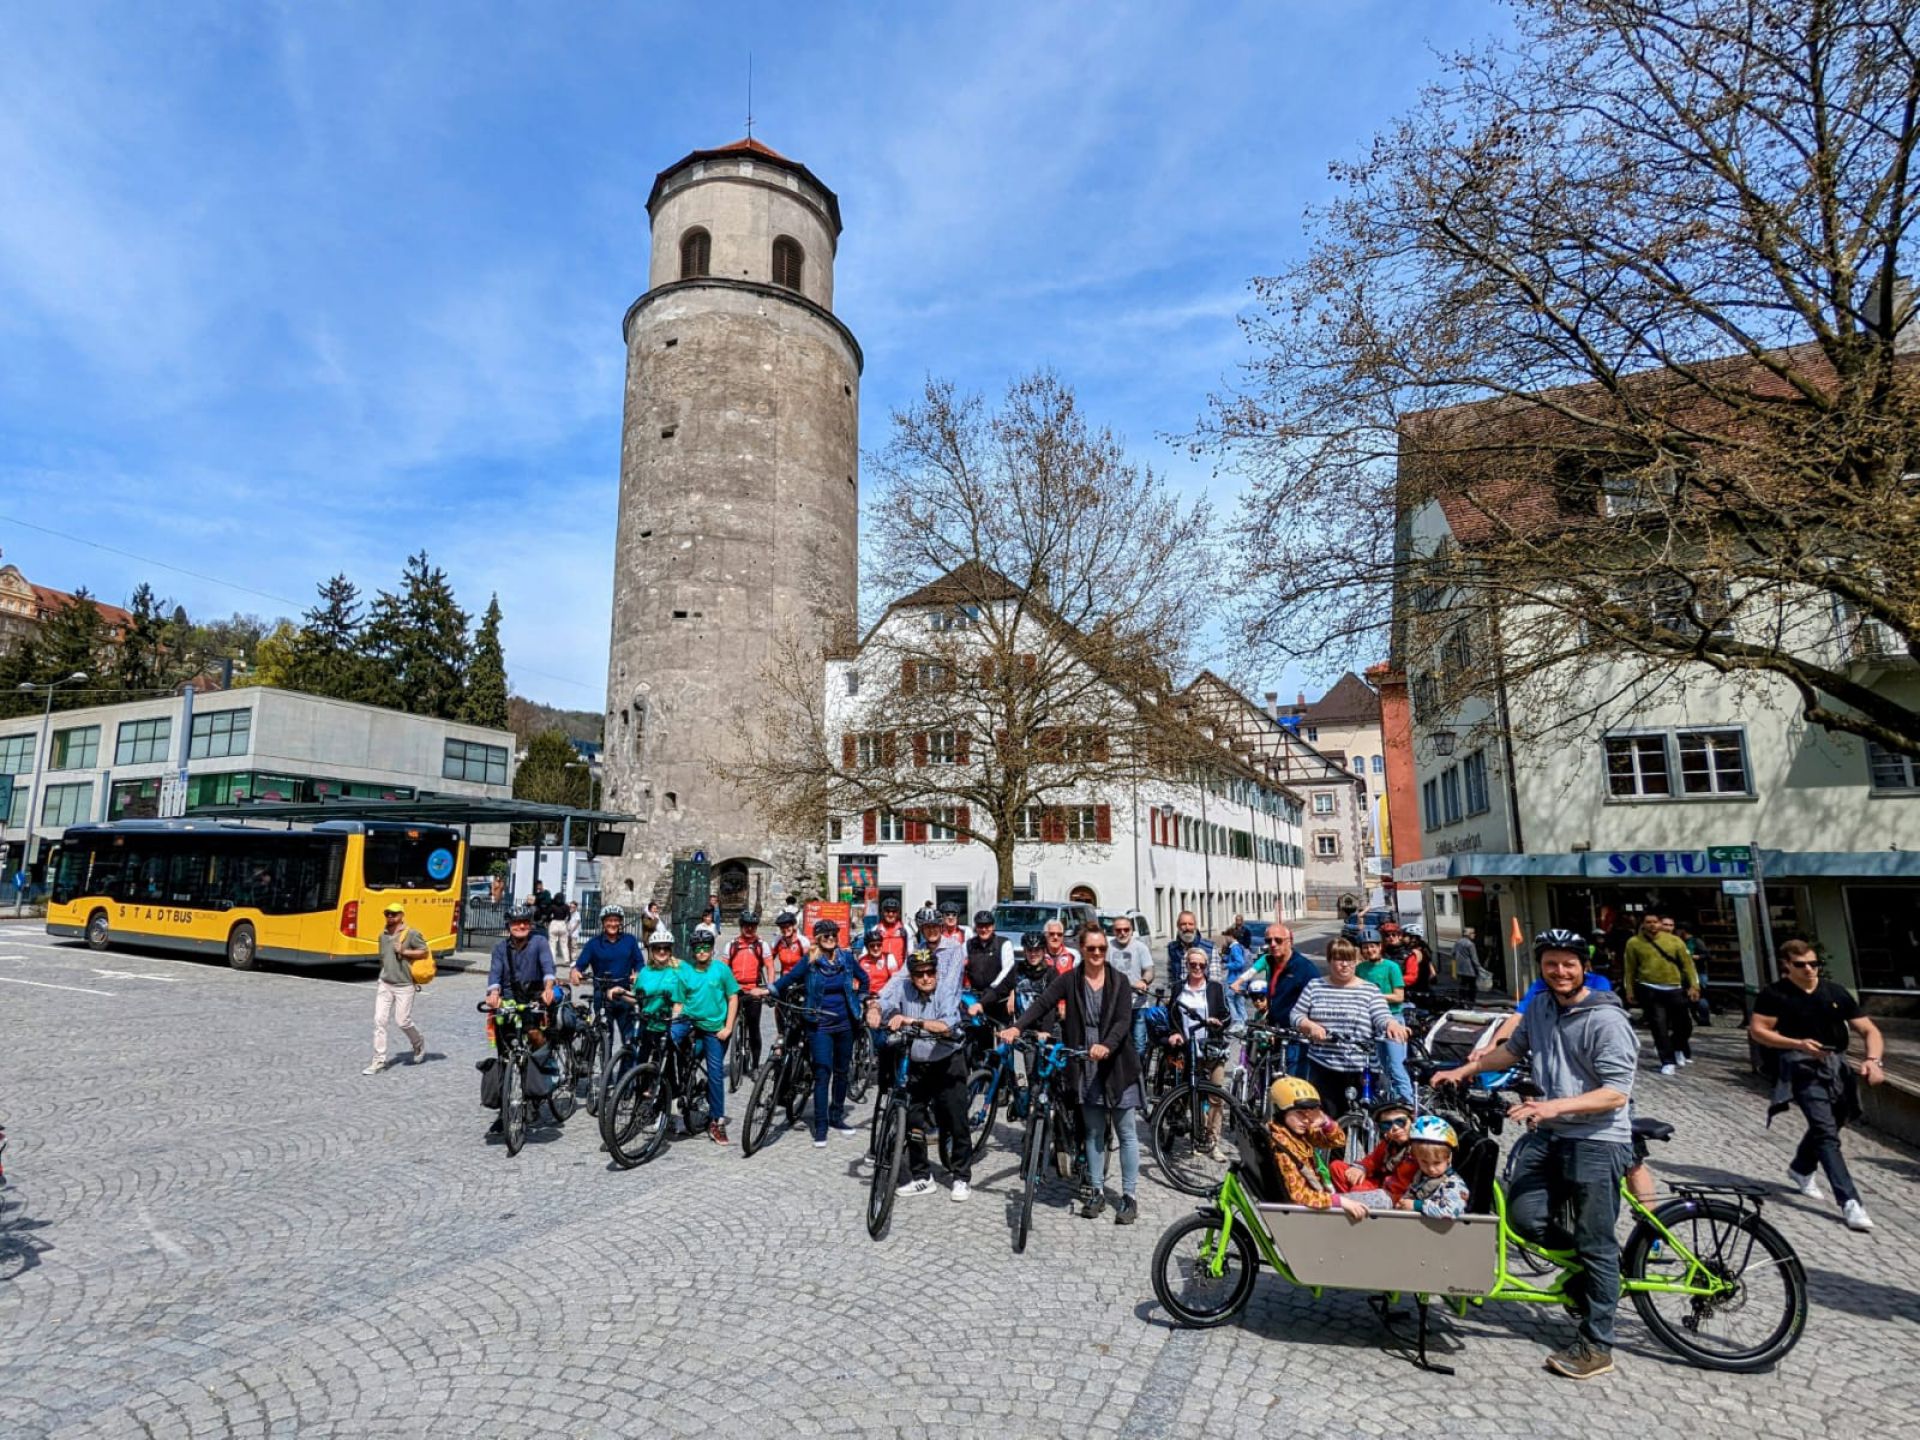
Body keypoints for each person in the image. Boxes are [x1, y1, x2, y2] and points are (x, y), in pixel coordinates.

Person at [1435, 929, 1637, 1381]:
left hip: (1597, 1139)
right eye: (1551, 963)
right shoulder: (1542, 1006)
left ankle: (1597, 1343)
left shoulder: (1606, 1021)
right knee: (1524, 1219)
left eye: (1568, 963)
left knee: (1595, 1241)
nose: (1560, 971)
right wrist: (1462, 1070)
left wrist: (1553, 1106)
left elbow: (1615, 1094)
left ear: (1584, 967)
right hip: (1550, 1134)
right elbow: (1511, 1050)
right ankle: (1596, 1274)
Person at [997, 921, 1143, 1224]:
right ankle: (1096, 1192)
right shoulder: (1071, 979)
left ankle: (1129, 1197)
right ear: (1082, 949)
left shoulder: (1119, 981)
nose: (1098, 953)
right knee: (1091, 1131)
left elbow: (1122, 1021)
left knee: (1126, 1132)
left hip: (1116, 1063)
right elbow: (1042, 1003)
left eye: (1102, 948)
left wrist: (1106, 1045)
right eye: (1091, 948)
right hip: (1084, 1061)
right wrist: (1016, 1026)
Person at [1751, 938, 1886, 1233]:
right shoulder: (1776, 994)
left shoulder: (1834, 992)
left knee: (1837, 1119)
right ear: (1787, 965)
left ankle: (1800, 1168)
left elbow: (1868, 1029)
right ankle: (1850, 1201)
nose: (1810, 969)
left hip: (1836, 1064)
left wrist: (1874, 1060)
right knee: (1825, 1132)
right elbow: (1759, 1030)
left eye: (1814, 964)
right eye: (1801, 965)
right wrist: (1796, 1043)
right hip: (1799, 1065)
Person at [873, 948, 973, 1201]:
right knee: (913, 1121)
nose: (926, 978)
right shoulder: (904, 987)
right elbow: (883, 1002)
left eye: (930, 972)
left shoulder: (946, 990)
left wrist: (909, 1021)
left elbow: (945, 1025)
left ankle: (961, 1177)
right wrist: (874, 1011)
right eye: (920, 974)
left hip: (947, 1061)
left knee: (955, 1119)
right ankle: (922, 1176)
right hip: (917, 1062)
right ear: (912, 975)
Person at [772, 919, 871, 1148]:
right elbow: (788, 979)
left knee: (842, 1071)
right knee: (822, 1071)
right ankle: (821, 1125)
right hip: (819, 1023)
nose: (830, 939)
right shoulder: (810, 961)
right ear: (817, 938)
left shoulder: (846, 958)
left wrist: (862, 999)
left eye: (833, 935)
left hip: (845, 1022)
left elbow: (864, 979)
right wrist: (770, 990)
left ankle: (836, 1116)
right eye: (825, 936)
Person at [1291, 937, 1408, 1111]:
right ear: (1330, 961)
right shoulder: (1315, 986)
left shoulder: (1369, 990)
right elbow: (1296, 1014)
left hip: (1360, 1067)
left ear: (1356, 961)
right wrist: (1310, 1026)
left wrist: (1391, 1024)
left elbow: (1381, 1015)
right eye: (1339, 959)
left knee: (1363, 1118)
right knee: (1328, 1121)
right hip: (1324, 1065)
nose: (1345, 965)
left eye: (1349, 960)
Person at [1263, 1077, 1392, 1217]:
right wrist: (1339, 1201)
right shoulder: (1281, 1147)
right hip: (1314, 1206)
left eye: (1309, 1113)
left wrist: (1325, 1122)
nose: (1306, 1120)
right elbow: (1298, 1196)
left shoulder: (1295, 1132)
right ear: (1281, 1112)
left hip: (1321, 1196)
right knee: (1384, 1199)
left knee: (1340, 1168)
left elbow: (1338, 1141)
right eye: (1299, 1113)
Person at [674, 934, 740, 1144]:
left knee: (714, 1072)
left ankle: (716, 1121)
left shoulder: (721, 969)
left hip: (714, 1028)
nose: (701, 951)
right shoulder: (687, 972)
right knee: (672, 1048)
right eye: (698, 948)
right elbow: (679, 1002)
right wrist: (675, 1022)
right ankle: (670, 1100)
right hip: (690, 1022)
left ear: (711, 949)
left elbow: (733, 997)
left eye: (705, 948)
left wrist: (728, 1027)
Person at [1168, 946, 1231, 1158]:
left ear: (1206, 967)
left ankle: (1213, 1140)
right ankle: (1197, 1138)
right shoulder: (1178, 988)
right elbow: (1172, 1015)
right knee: (1191, 1094)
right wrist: (1175, 1033)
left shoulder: (1215, 988)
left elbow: (1227, 1015)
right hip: (1189, 1050)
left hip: (1212, 1049)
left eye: (1201, 965)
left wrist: (1218, 1023)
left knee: (1215, 1096)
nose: (1197, 968)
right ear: (1186, 965)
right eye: (1192, 964)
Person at [1623, 912, 1699, 1074]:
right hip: (1649, 988)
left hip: (1674, 987)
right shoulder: (1634, 943)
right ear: (1642, 924)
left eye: (1655, 922)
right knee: (1659, 1025)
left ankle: (1677, 1046)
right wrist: (1629, 989)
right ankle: (1667, 1060)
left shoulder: (1674, 941)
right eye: (1648, 922)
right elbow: (1630, 969)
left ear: (1660, 923)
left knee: (1684, 1025)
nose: (1652, 925)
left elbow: (1688, 965)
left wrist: (1694, 985)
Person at [1351, 927, 1413, 1102]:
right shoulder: (1360, 969)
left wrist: (1374, 995)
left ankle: (1408, 1102)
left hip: (1393, 1018)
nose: (1369, 950)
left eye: (1373, 946)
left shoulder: (1391, 967)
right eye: (1365, 947)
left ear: (1380, 947)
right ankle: (1390, 1102)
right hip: (1370, 1022)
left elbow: (1399, 996)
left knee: (1396, 1065)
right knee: (1381, 1066)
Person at [366, 901, 428, 1074]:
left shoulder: (412, 934)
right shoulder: (382, 936)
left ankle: (418, 1043)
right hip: (385, 983)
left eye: (393, 914)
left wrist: (404, 951)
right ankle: (379, 1060)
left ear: (401, 915)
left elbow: (424, 951)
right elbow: (383, 958)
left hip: (405, 985)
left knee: (402, 1021)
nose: (390, 916)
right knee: (380, 1021)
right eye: (387, 913)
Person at [570, 904, 643, 1047]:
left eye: (616, 920)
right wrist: (575, 972)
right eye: (609, 920)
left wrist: (638, 973)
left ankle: (626, 1069)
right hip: (602, 995)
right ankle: (605, 1067)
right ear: (603, 922)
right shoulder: (593, 944)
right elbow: (580, 964)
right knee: (605, 1038)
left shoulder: (630, 940)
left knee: (629, 1038)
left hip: (624, 993)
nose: (613, 924)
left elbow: (639, 962)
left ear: (621, 922)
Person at [724, 911, 772, 1075]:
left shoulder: (761, 945)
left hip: (754, 989)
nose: (749, 929)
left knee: (754, 1027)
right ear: (741, 926)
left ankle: (756, 1065)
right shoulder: (732, 945)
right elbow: (723, 968)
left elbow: (770, 966)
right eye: (746, 925)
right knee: (727, 1026)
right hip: (735, 989)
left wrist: (770, 987)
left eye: (752, 926)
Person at [1399, 1116, 1471, 1217]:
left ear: (1449, 1158)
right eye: (1424, 1162)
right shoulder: (1422, 1175)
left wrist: (1417, 1205)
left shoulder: (1453, 1184)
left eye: (1437, 1163)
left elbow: (1450, 1210)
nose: (1431, 1168)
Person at [963, 909, 1019, 1038]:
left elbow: (1007, 971)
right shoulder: (968, 945)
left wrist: (990, 993)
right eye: (980, 926)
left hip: (1000, 1000)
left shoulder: (1004, 943)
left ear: (993, 926)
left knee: (1004, 1044)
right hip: (976, 999)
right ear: (975, 927)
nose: (984, 929)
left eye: (987, 926)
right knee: (980, 1042)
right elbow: (959, 968)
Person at [1107, 914, 1156, 1060]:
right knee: (1116, 1044)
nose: (1122, 933)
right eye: (1118, 930)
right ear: (1114, 931)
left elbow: (1149, 970)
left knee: (1139, 1046)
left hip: (1137, 1004)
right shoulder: (1108, 947)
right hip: (1114, 1005)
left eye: (1126, 929)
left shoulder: (1140, 947)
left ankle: (1139, 1078)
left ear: (1131, 930)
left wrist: (1144, 981)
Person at [1218, 925, 1252, 1023]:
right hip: (1240, 980)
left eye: (1226, 936)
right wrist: (1225, 958)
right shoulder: (1239, 947)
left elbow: (1239, 963)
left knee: (1230, 1000)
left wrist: (1226, 965)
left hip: (1234, 980)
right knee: (1239, 1002)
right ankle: (1244, 1023)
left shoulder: (1234, 948)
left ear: (1231, 936)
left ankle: (1237, 1021)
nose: (1225, 939)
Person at [1166, 911, 1212, 981]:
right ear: (1178, 926)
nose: (1187, 927)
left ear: (1195, 926)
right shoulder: (1172, 948)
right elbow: (1170, 975)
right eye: (1183, 924)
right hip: (1179, 991)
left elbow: (1215, 979)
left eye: (1190, 924)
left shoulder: (1210, 948)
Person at [871, 896, 911, 970]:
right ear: (882, 912)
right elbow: (867, 952)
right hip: (880, 971)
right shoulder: (875, 929)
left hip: (899, 972)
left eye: (894, 911)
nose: (890, 914)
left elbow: (911, 952)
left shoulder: (905, 929)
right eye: (887, 911)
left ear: (898, 913)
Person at [769, 910, 806, 980]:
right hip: (784, 978)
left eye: (787, 926)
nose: (785, 929)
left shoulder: (802, 941)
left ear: (794, 926)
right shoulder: (777, 941)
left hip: (800, 980)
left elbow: (809, 964)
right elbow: (768, 961)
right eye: (782, 927)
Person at [1452, 927, 1483, 1003]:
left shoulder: (1458, 942)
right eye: (1473, 933)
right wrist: (1479, 968)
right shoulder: (1470, 944)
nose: (1474, 935)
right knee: (1472, 986)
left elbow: (1453, 953)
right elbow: (1474, 958)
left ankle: (1461, 999)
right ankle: (1471, 1001)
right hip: (1470, 969)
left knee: (1463, 984)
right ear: (1468, 935)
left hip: (1460, 968)